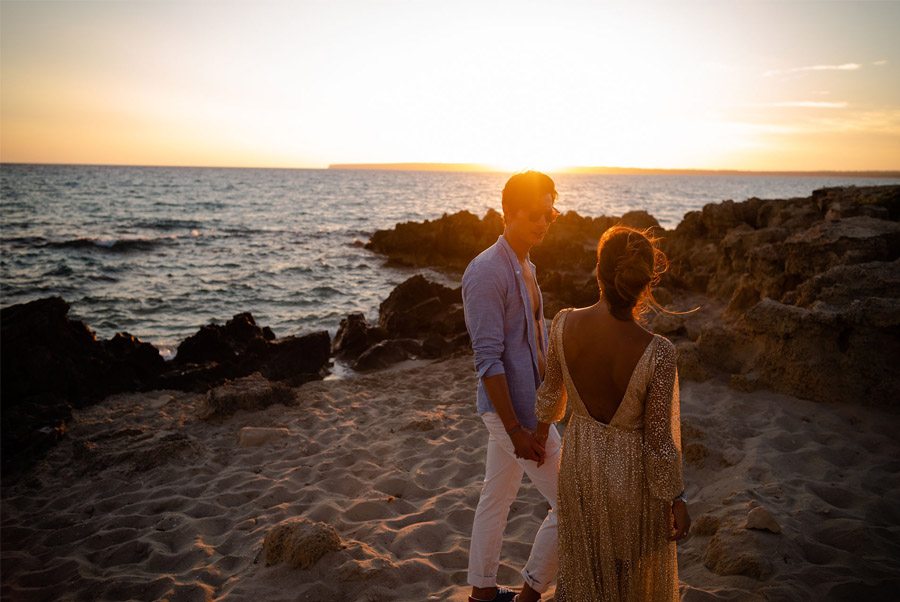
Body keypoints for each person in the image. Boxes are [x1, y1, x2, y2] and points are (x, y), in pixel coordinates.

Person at [534, 225, 690, 601]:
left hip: (580, 468)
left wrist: (539, 439)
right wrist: (676, 499)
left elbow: (550, 399)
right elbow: (657, 440)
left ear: (597, 270)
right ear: (647, 283)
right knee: (628, 580)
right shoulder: (659, 352)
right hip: (630, 479)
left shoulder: (562, 325)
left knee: (584, 576)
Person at [462, 171, 563, 602]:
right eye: (536, 214)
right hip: (511, 413)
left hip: (530, 408)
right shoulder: (486, 271)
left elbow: (534, 345)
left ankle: (482, 593)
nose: (544, 223)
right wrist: (518, 429)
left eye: (551, 214)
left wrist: (543, 412)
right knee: (575, 504)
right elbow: (487, 359)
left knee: (495, 500)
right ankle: (531, 593)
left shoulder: (527, 266)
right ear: (509, 213)